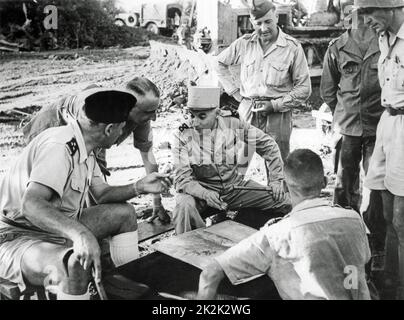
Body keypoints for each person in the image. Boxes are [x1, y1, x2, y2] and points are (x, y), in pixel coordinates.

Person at [0, 90, 172, 300]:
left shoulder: (86, 146)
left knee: (124, 213)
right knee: (74, 263)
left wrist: (139, 187)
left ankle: (125, 287)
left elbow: (102, 194)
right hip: (18, 236)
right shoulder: (60, 146)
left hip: (55, 228)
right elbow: (32, 205)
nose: (122, 133)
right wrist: (80, 234)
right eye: (121, 127)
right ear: (109, 129)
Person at [197, 149, 371, 300]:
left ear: (285, 188)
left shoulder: (276, 235)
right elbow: (360, 264)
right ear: (324, 183)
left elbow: (210, 274)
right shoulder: (354, 219)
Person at [22, 77, 170, 223]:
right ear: (129, 108)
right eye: (149, 112)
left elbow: (148, 156)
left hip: (88, 139)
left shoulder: (142, 115)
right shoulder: (98, 113)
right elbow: (92, 168)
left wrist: (157, 202)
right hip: (50, 126)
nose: (154, 117)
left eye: (154, 111)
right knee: (53, 194)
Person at [172, 86, 291, 235]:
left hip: (234, 188)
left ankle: (245, 224)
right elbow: (182, 180)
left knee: (285, 202)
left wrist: (275, 180)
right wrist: (205, 194)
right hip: (202, 192)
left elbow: (268, 145)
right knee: (184, 206)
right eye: (192, 115)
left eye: (202, 116)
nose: (195, 122)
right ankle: (187, 251)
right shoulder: (182, 134)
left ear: (217, 113)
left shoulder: (232, 123)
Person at [320, 7, 385, 257]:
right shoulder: (337, 47)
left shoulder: (384, 41)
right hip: (347, 128)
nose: (353, 17)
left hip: (378, 127)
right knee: (344, 184)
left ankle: (374, 241)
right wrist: (344, 112)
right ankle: (343, 236)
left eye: (357, 11)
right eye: (349, 12)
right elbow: (328, 89)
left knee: (375, 184)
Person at [215, 0, 311, 162]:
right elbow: (218, 63)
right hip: (248, 110)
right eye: (258, 23)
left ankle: (276, 188)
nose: (264, 28)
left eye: (268, 22)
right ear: (252, 22)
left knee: (277, 165)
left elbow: (304, 89)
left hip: (278, 115)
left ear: (276, 17)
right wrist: (235, 93)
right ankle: (235, 187)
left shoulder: (292, 47)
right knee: (239, 162)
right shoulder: (244, 44)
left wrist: (275, 105)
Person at [355, 0, 404, 300]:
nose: (366, 21)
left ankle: (400, 290)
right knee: (383, 210)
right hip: (388, 122)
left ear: (391, 6)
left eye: (370, 13)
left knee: (402, 217)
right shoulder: (384, 37)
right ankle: (389, 277)